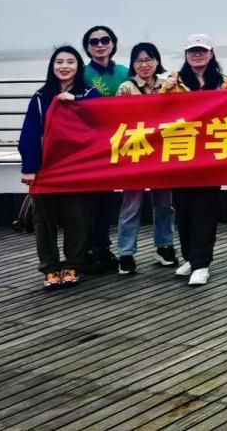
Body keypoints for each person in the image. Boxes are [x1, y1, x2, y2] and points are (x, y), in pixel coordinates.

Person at [19, 46, 100, 289]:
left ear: (79, 66)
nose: (64, 66)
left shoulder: (89, 93)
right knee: (44, 221)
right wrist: (29, 167)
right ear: (52, 66)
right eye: (59, 62)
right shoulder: (41, 96)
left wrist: (77, 101)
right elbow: (30, 132)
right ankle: (50, 268)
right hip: (46, 167)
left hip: (78, 168)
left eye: (70, 62)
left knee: (77, 218)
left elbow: (102, 116)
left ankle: (73, 265)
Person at [160, 34, 225, 286]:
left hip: (211, 157)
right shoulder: (173, 82)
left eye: (202, 51)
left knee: (205, 211)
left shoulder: (224, 83)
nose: (197, 55)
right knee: (184, 210)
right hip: (182, 155)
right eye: (192, 51)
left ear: (211, 53)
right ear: (186, 55)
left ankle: (202, 263)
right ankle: (189, 257)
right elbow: (155, 112)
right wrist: (164, 91)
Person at [115, 43, 177, 274]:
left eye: (149, 59)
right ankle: (126, 253)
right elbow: (120, 118)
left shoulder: (168, 83)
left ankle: (164, 245)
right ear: (132, 64)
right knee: (131, 205)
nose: (144, 65)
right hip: (136, 153)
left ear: (157, 61)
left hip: (162, 153)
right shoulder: (126, 88)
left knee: (164, 204)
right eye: (139, 60)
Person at [81, 24, 127, 272]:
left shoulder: (124, 71)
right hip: (89, 145)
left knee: (107, 199)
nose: (100, 45)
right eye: (94, 41)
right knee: (88, 199)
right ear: (87, 48)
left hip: (116, 143)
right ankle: (86, 249)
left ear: (113, 43)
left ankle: (103, 247)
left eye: (105, 40)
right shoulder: (82, 73)